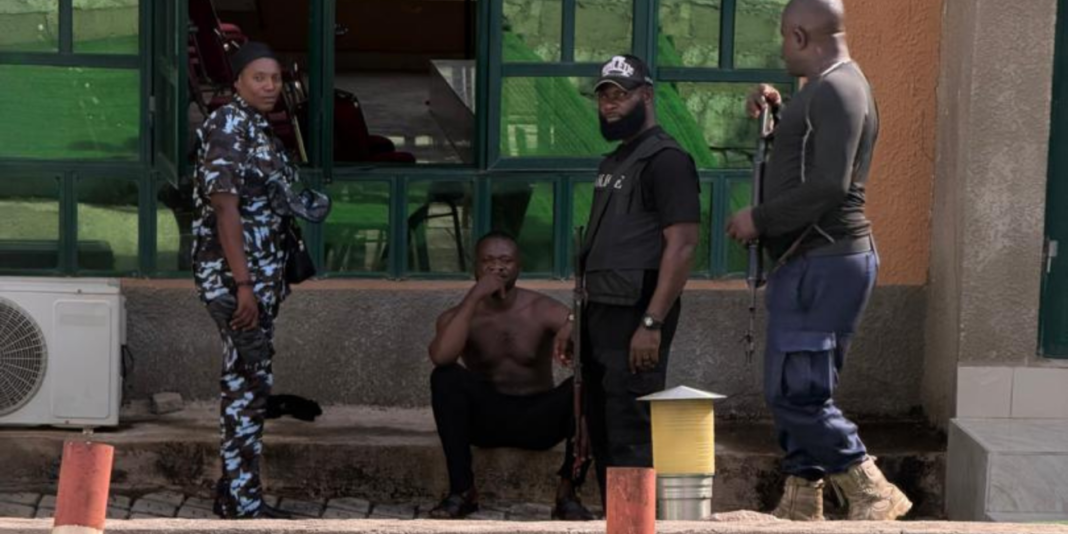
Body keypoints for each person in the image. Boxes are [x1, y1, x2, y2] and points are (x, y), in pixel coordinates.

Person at [726, 0, 911, 521]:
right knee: (802, 384)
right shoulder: (829, 89)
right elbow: (812, 157)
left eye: (784, 38)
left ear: (800, 37)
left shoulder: (838, 90)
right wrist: (780, 111)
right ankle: (802, 498)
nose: (782, 49)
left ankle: (871, 488)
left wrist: (759, 218)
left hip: (824, 259)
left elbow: (830, 183)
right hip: (816, 260)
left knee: (795, 391)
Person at [559, 54, 699, 501]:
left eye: (620, 95)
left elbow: (682, 246)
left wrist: (652, 323)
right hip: (599, 314)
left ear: (647, 96)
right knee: (600, 430)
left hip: (636, 316)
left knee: (630, 432)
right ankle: (614, 519)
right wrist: (574, 319)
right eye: (604, 96)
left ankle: (633, 523)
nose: (610, 104)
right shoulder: (615, 161)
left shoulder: (668, 160)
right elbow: (603, 249)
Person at [191, 41, 298, 520]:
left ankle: (233, 493)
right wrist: (244, 286)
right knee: (249, 385)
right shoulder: (228, 125)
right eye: (259, 77)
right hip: (235, 282)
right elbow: (224, 209)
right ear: (236, 82)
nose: (270, 86)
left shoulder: (256, 125)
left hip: (257, 280)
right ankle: (243, 502)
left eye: (275, 78)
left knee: (246, 380)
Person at [426, 232, 595, 521]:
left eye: (506, 260)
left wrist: (572, 321)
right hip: (486, 419)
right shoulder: (458, 315)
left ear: (519, 267)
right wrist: (474, 297)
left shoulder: (540, 308)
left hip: (538, 418)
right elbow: (442, 357)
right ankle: (462, 491)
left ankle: (568, 492)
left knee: (591, 383)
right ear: (475, 268)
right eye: (488, 261)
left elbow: (587, 330)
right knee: (444, 377)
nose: (497, 267)